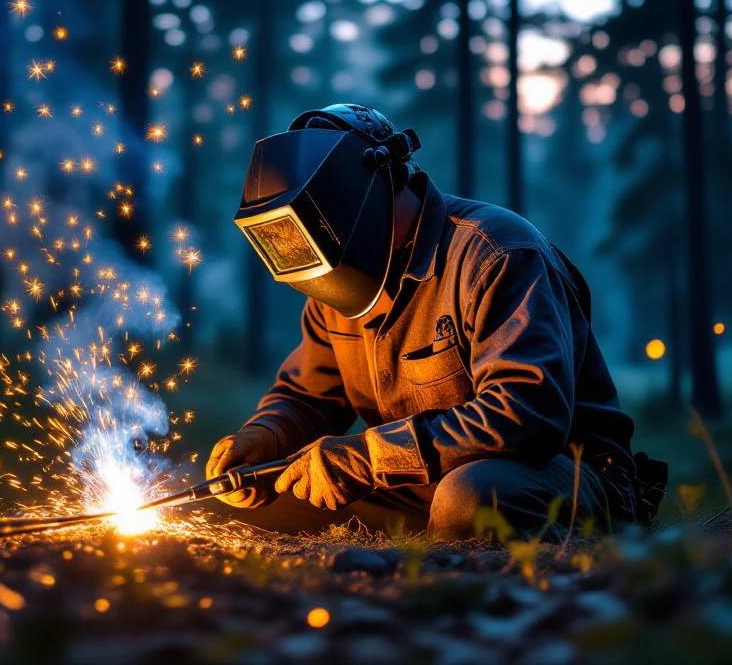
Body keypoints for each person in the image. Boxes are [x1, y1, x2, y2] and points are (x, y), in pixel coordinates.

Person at [207, 103, 666, 539]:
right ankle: (429, 536)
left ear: (359, 192)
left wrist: (369, 457)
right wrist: (266, 437)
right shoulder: (342, 280)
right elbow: (308, 397)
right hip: (418, 482)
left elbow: (526, 414)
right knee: (251, 502)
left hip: (554, 471)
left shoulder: (495, 253)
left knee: (471, 497)